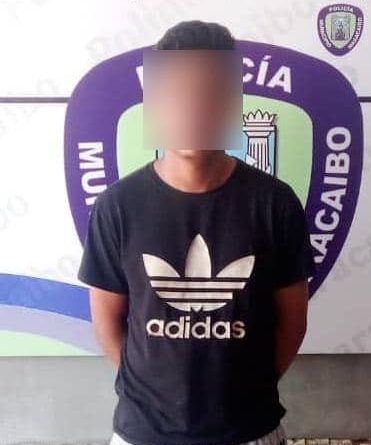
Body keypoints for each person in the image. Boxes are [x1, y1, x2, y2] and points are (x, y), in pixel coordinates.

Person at [77, 20, 317, 445]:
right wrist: (153, 400)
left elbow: (292, 323)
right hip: (142, 434)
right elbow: (107, 321)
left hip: (250, 430)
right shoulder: (118, 205)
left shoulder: (275, 203)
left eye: (209, 91)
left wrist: (244, 398)